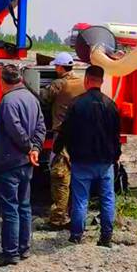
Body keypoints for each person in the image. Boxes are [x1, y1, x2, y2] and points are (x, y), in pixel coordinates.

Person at [54, 64, 121, 248]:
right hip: (105, 162)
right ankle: (106, 237)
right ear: (102, 81)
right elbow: (116, 136)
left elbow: (65, 131)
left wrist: (57, 150)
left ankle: (76, 236)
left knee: (80, 199)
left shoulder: (77, 104)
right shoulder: (111, 105)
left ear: (86, 80)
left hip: (82, 161)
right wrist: (116, 156)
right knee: (107, 199)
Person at [0, 63, 46, 267]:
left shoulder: (8, 101)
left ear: (3, 81)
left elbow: (14, 129)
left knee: (10, 209)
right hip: (26, 164)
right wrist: (36, 148)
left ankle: (10, 253)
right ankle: (24, 248)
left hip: (9, 161)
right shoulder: (32, 99)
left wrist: (29, 147)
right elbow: (40, 126)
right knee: (24, 207)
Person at [39, 52, 85, 229]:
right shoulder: (82, 82)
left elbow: (43, 97)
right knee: (77, 178)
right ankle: (76, 216)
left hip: (62, 136)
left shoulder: (59, 84)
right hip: (81, 137)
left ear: (59, 67)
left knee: (60, 177)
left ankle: (58, 218)